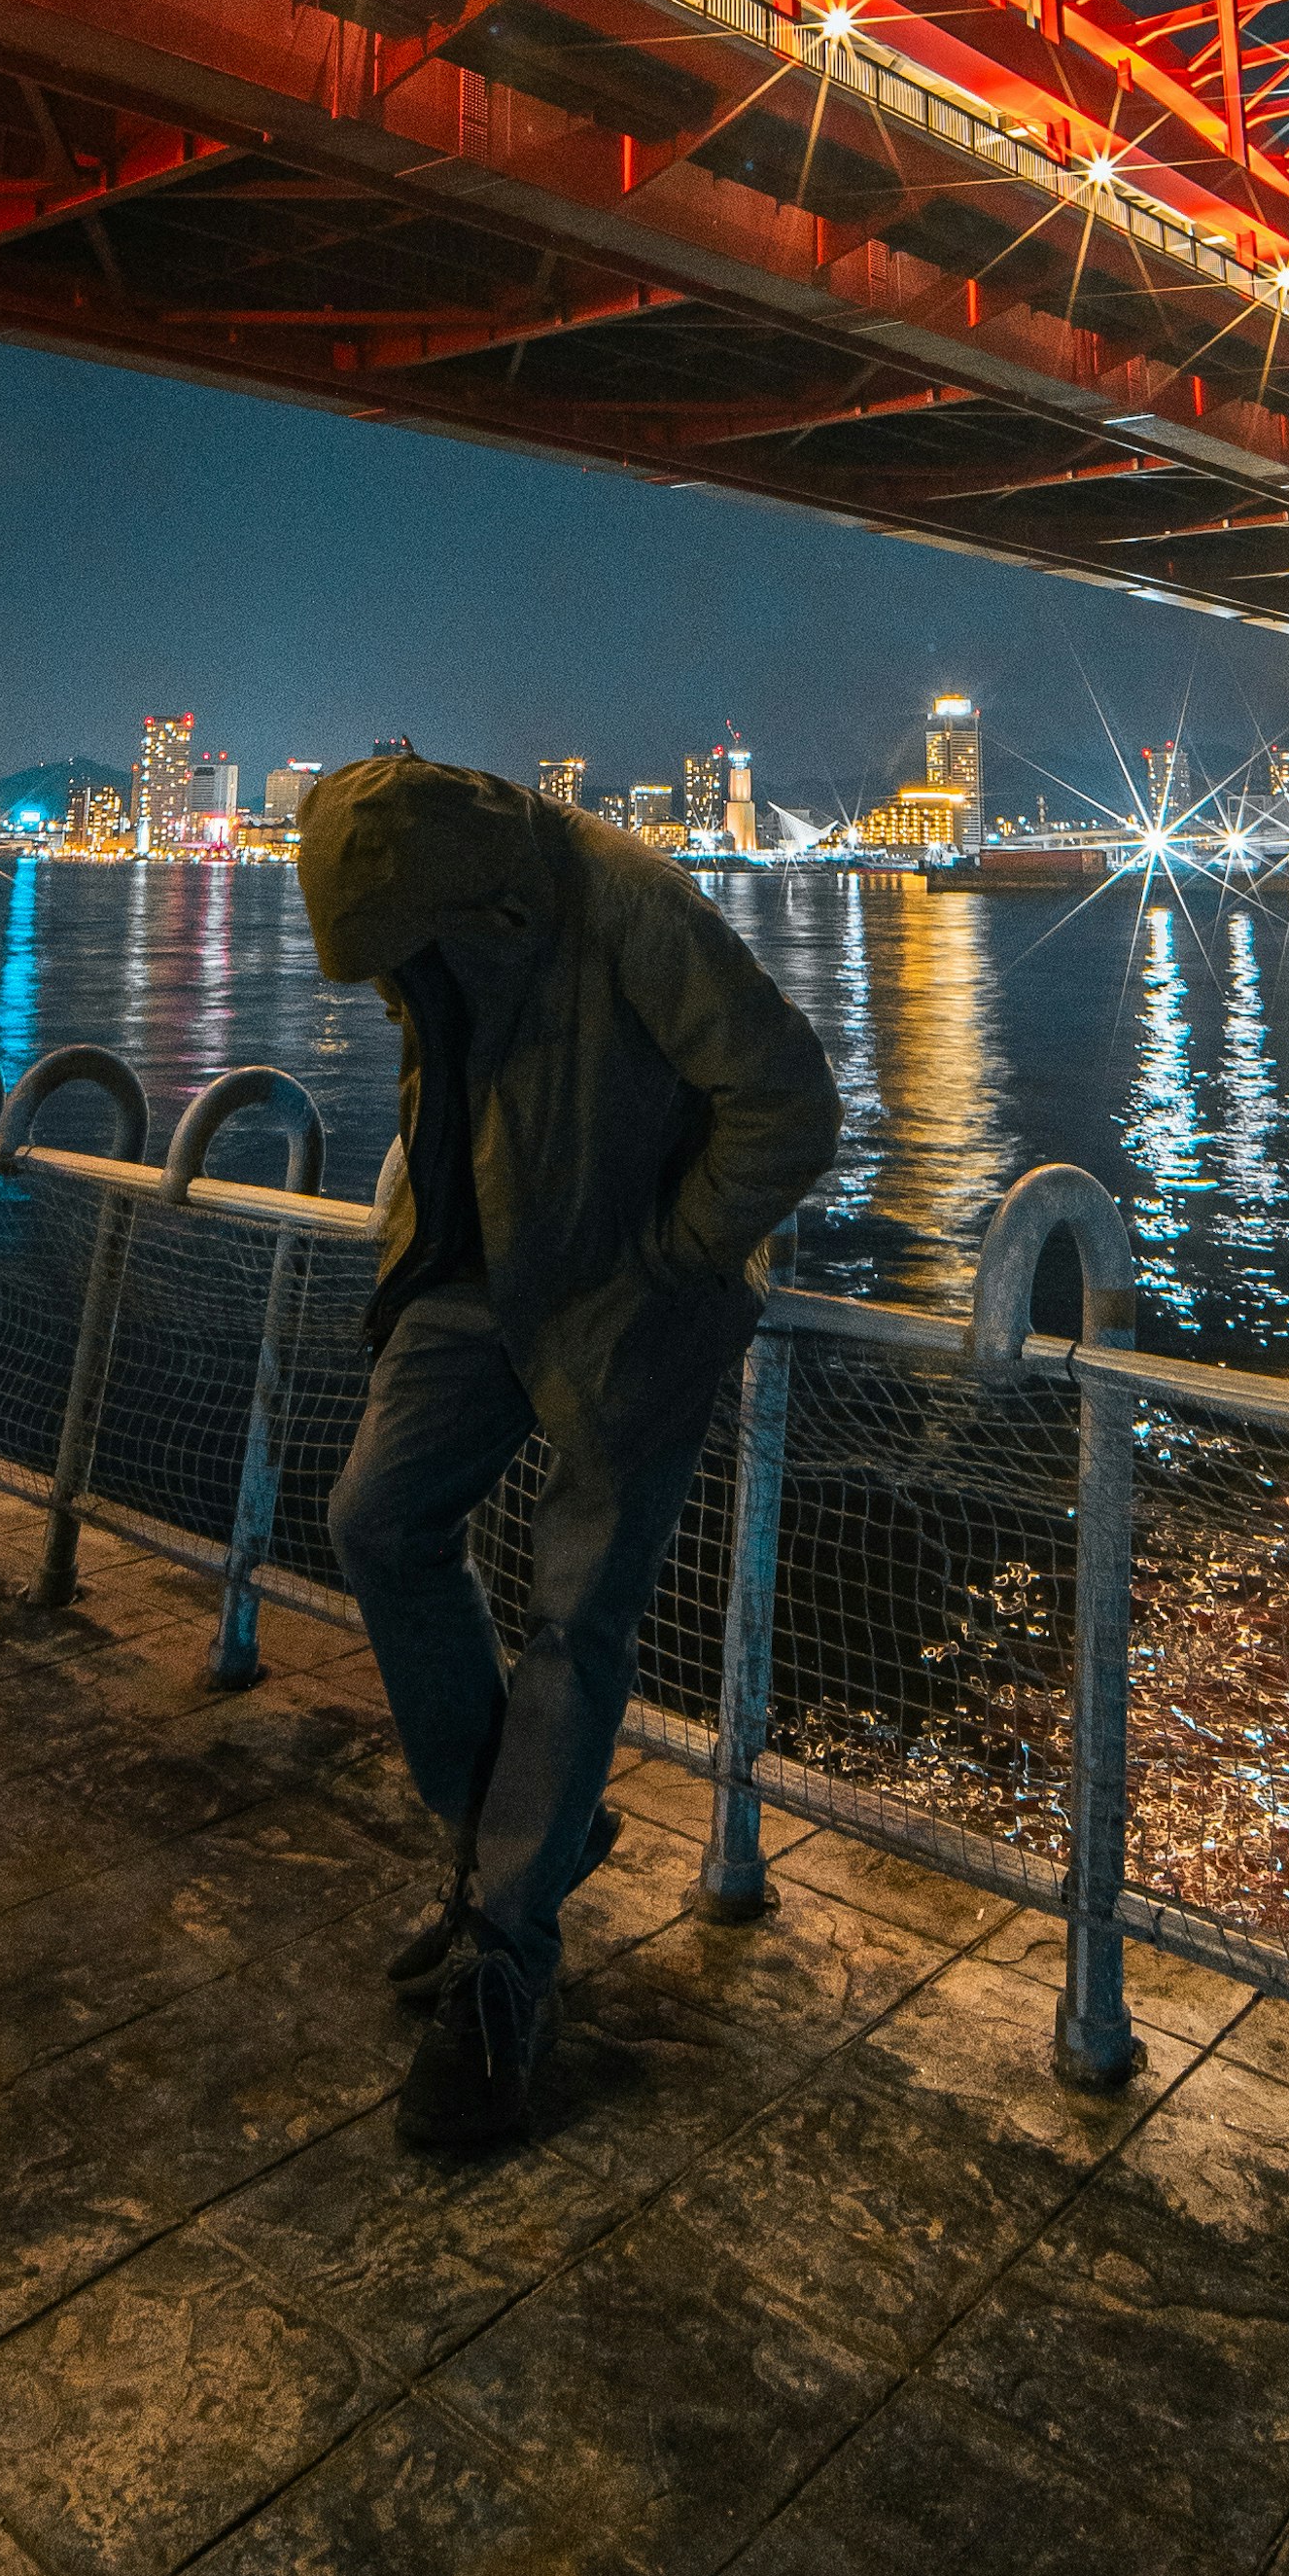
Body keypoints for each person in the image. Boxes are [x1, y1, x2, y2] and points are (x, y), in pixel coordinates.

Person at [299, 745, 844, 2158]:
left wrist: (670, 1257)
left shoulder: (631, 904)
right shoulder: (430, 912)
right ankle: (510, 1861)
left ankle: (503, 1950)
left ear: (467, 891)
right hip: (474, 1275)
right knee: (376, 1520)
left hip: (628, 1297)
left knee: (577, 1612)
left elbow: (788, 1099)